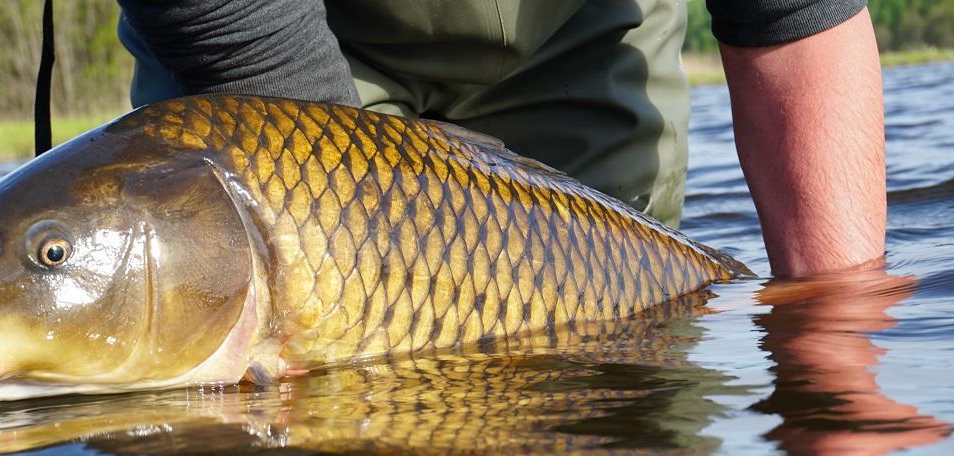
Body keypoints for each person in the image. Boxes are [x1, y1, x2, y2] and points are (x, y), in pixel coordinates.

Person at [115, 0, 885, 279]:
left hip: (577, 27)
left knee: (628, 347)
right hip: (280, 44)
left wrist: (836, 363)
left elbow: (795, 23)